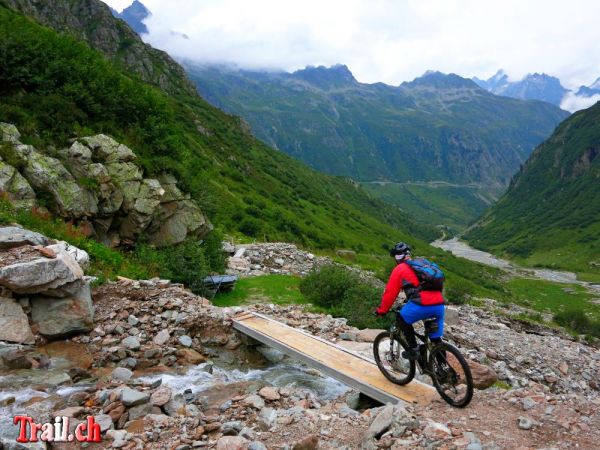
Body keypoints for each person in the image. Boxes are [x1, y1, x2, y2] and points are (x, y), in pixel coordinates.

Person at [374, 242, 445, 360]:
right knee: (436, 340)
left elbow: (390, 293)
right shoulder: (423, 263)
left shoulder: (400, 268)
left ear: (398, 257)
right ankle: (443, 371)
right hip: (439, 305)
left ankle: (414, 349)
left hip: (421, 305)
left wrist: (382, 310)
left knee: (401, 319)